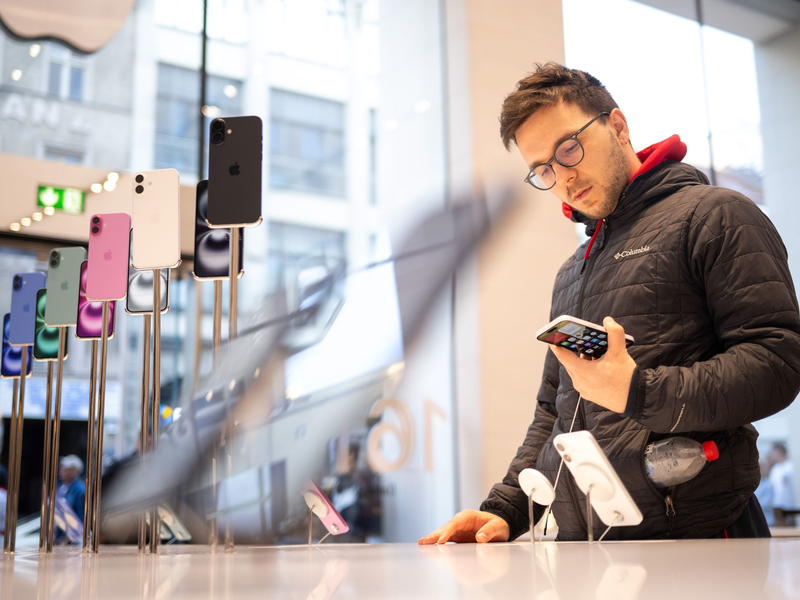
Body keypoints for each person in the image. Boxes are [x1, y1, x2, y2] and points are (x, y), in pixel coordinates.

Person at [420, 62, 800, 543]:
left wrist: (639, 390)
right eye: (542, 169)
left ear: (617, 126)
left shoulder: (716, 215)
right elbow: (555, 412)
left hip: (701, 534)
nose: (561, 176)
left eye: (568, 148)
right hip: (591, 542)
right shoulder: (572, 271)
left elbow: (777, 362)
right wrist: (510, 508)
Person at [768, 443, 795, 525]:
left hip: (789, 506)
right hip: (777, 506)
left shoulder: (790, 466)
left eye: (773, 453)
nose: (772, 456)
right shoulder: (775, 469)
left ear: (779, 452)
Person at [58, 455, 86, 523]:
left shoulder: (80, 490)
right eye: (62, 467)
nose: (62, 470)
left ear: (75, 471)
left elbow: (81, 518)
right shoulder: (60, 484)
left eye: (67, 468)